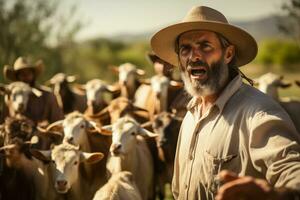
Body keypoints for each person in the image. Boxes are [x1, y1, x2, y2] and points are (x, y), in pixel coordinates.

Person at [151, 5, 300, 200]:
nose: (194, 56)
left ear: (228, 54)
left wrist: (278, 195)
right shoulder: (190, 115)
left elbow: (291, 171)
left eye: (205, 46)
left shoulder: (258, 113)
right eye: (185, 49)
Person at [1, 57, 63, 124]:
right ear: (17, 77)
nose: (26, 76)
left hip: (41, 132)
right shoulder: (9, 96)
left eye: (28, 73)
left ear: (33, 75)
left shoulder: (47, 95)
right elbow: (4, 120)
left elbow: (58, 122)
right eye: (22, 74)